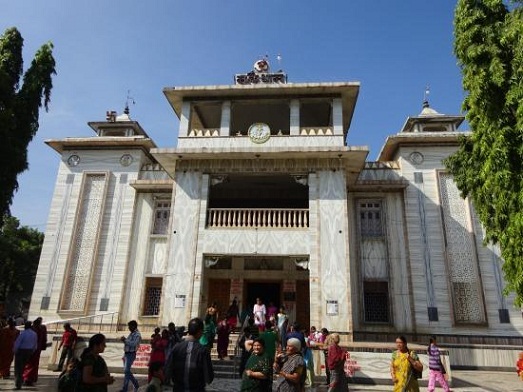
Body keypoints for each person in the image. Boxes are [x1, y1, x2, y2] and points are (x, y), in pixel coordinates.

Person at [169, 317, 214, 392]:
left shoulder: (176, 348)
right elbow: (209, 378)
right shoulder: (202, 351)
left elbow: (168, 370)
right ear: (200, 331)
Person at [22, 316, 47, 386]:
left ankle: (27, 378)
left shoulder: (34, 329)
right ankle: (29, 378)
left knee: (29, 364)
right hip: (36, 349)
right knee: (32, 364)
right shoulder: (42, 328)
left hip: (31, 349)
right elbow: (44, 339)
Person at [13, 321, 37, 390]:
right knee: (23, 367)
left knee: (18, 368)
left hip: (21, 351)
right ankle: (20, 381)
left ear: (26, 326)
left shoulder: (23, 333)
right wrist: (32, 351)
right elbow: (35, 344)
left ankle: (18, 384)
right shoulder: (34, 334)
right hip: (29, 352)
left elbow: (17, 343)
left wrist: (15, 351)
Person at [120, 320, 141, 391]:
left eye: (130, 326)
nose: (129, 328)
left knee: (126, 371)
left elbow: (134, 344)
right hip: (126, 354)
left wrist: (125, 340)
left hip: (131, 354)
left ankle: (135, 383)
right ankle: (125, 388)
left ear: (134, 326)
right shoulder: (131, 334)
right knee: (126, 372)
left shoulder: (137, 334)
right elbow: (128, 344)